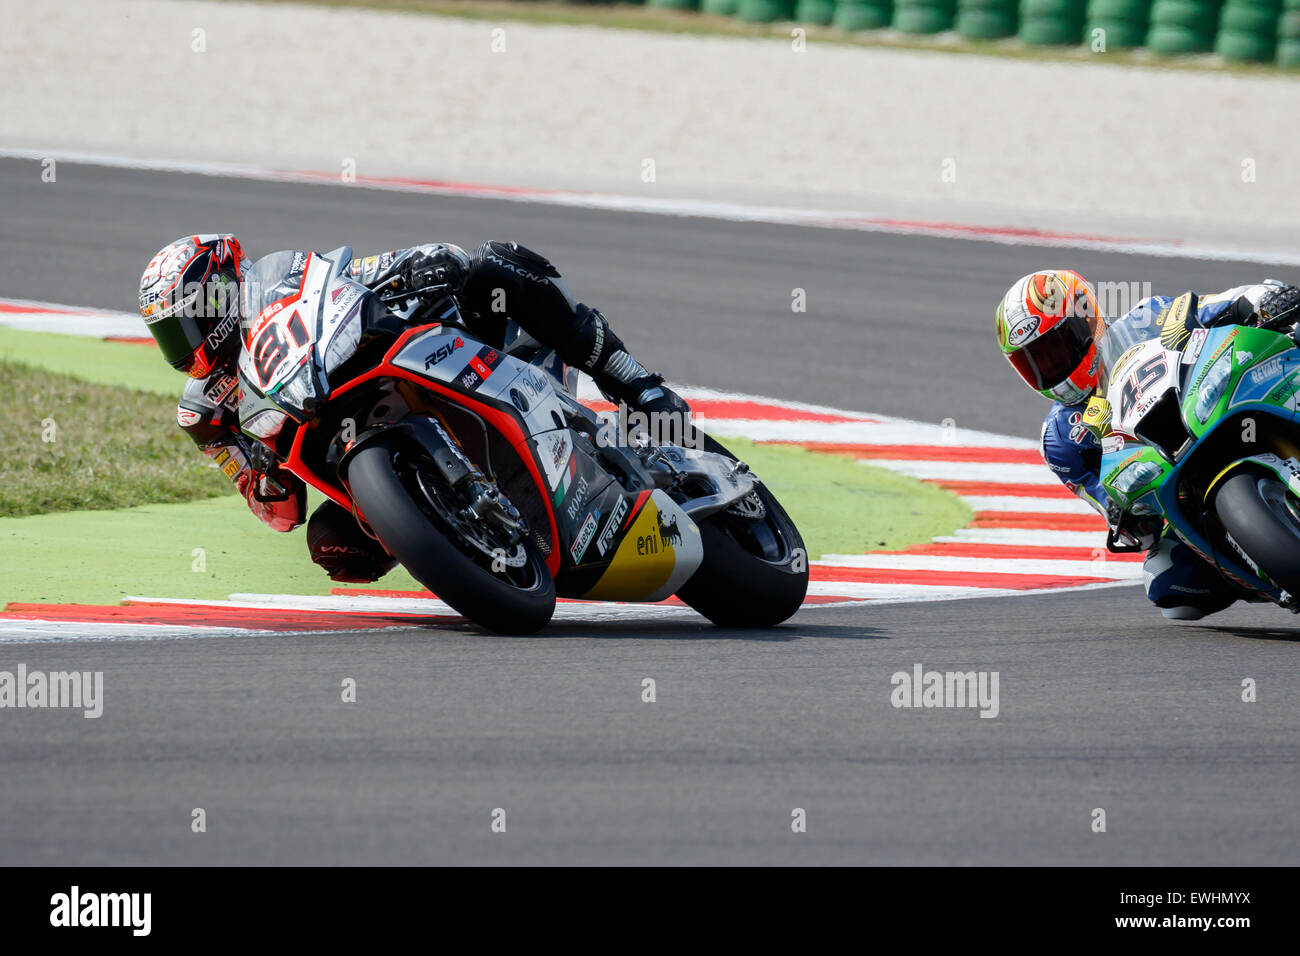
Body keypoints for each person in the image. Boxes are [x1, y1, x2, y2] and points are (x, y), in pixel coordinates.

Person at [137, 233, 691, 582]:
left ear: (222, 289)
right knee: (331, 546)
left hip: (439, 362)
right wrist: (262, 479)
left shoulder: (283, 281)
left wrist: (414, 269)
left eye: (184, 323)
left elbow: (379, 270)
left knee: (491, 265)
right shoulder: (206, 415)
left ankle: (635, 383)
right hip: (351, 453)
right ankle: (452, 536)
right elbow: (280, 517)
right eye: (168, 335)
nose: (182, 345)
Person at [995, 269, 1300, 619]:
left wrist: (1261, 299)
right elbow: (1103, 501)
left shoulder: (1145, 316)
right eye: (1034, 360)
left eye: (1056, 347)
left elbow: (1214, 305)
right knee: (1168, 583)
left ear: (1084, 316)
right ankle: (1268, 571)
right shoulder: (1060, 439)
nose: (1051, 366)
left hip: (1210, 400)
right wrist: (1122, 518)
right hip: (1169, 474)